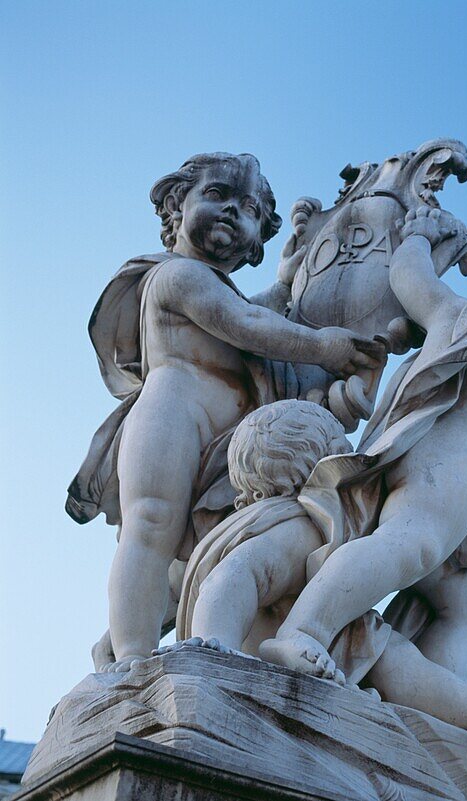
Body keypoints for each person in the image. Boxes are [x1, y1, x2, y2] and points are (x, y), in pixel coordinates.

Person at [257, 206, 467, 684]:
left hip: (405, 442)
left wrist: (419, 235)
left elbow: (408, 277)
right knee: (411, 546)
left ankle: (426, 703)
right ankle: (305, 630)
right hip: (456, 466)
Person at [67, 153, 383, 672]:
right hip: (171, 415)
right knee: (151, 525)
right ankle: (129, 659)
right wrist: (322, 347)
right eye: (218, 196)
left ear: (257, 236)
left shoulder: (220, 288)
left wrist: (287, 279)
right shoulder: (176, 276)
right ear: (176, 204)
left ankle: (122, 643)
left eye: (250, 209)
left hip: (228, 437)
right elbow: (244, 324)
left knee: (193, 554)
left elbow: (258, 309)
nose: (234, 212)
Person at [168, 400, 467, 754]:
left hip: (337, 638)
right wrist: (216, 647)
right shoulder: (292, 524)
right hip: (270, 646)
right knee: (399, 663)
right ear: (325, 463)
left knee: (400, 662)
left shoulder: (322, 529)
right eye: (345, 451)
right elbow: (233, 578)